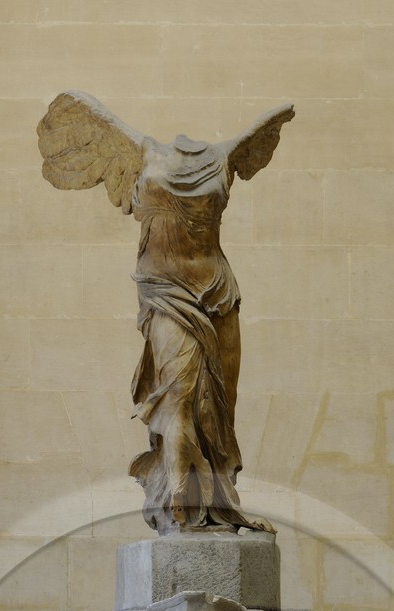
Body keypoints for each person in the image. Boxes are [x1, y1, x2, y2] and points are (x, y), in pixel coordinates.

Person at [37, 90, 294, 534]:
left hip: (216, 292)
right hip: (165, 292)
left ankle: (217, 502)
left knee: (218, 406)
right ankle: (180, 497)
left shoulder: (224, 157)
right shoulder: (142, 152)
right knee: (177, 394)